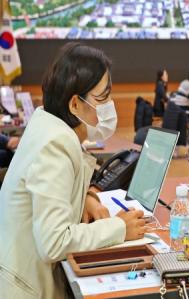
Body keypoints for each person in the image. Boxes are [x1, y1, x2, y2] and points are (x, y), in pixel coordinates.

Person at [0, 43, 146, 299]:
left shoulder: (48, 125)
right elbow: (54, 242)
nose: (109, 105)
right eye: (103, 98)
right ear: (75, 105)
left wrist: (86, 197)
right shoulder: (55, 144)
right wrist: (119, 228)